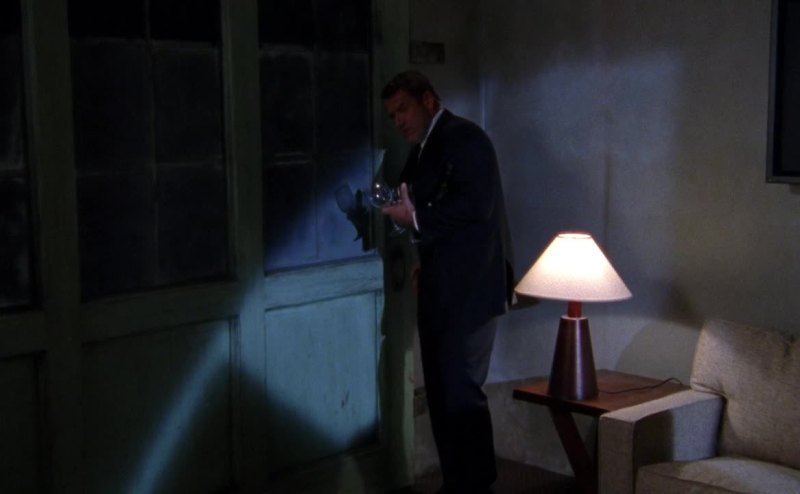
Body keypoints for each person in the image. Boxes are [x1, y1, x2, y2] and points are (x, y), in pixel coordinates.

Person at [381, 70, 514, 493]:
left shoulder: (466, 138)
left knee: (461, 393)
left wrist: (415, 219)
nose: (399, 121)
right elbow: (420, 205)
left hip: (470, 291)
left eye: (403, 109)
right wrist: (421, 251)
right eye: (392, 115)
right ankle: (458, 483)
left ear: (428, 100)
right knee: (441, 393)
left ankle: (475, 484)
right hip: (441, 287)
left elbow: (475, 206)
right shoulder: (423, 149)